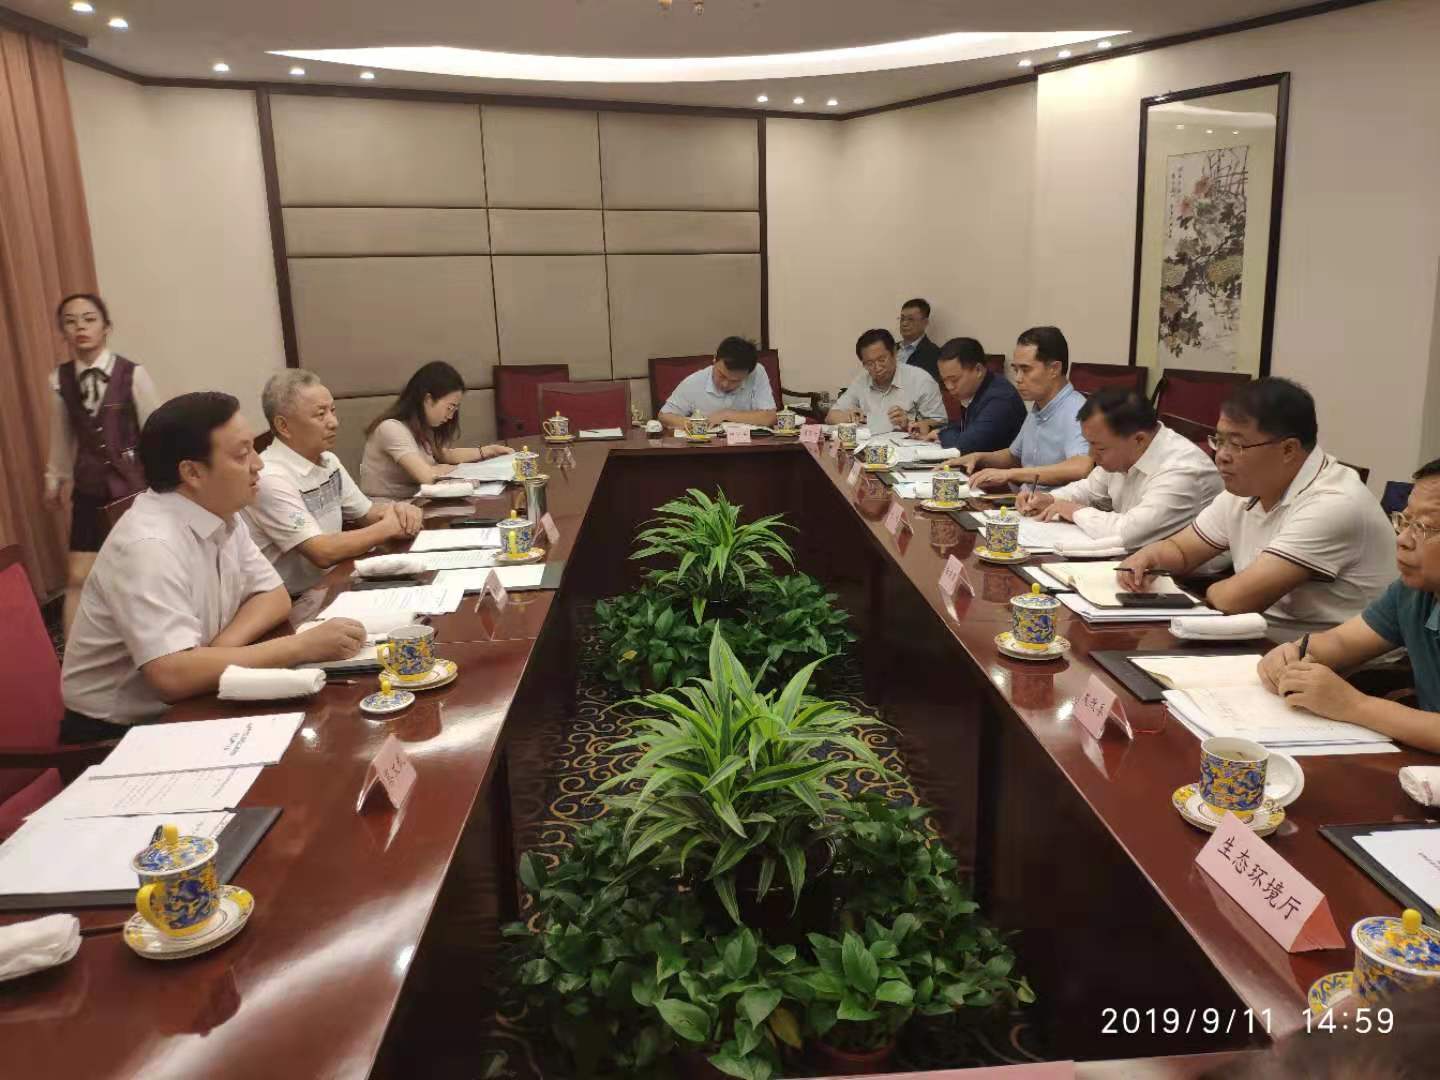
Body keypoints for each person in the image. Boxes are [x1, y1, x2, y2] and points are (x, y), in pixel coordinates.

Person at [59, 392, 366, 741]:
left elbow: (273, 595)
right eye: (242, 454)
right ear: (192, 472)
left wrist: (218, 652)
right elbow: (172, 676)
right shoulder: (148, 546)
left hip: (196, 694)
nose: (258, 465)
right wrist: (300, 646)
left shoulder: (220, 512)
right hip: (119, 733)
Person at [1118, 378, 1393, 631]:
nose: (1221, 456)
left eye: (1236, 445)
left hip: (1331, 658)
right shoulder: (1248, 486)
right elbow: (1181, 550)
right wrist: (1149, 558)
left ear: (1288, 449)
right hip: (1266, 638)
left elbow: (1235, 600)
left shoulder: (1333, 503)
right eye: (1219, 441)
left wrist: (1208, 592)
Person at [1255, 458, 1440, 751]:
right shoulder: (1413, 591)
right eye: (1404, 521)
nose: (1403, 539)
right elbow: (1341, 642)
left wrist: (1353, 705)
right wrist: (1293, 653)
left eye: (1425, 527)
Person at [244, 370, 424, 596]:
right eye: (321, 414)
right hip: (294, 602)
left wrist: (400, 511)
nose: (334, 422)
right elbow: (322, 552)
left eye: (333, 411)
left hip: (332, 584)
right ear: (284, 426)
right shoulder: (270, 477)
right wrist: (388, 527)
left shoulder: (328, 460)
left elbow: (367, 514)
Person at [43, 294, 161, 638]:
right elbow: (62, 437)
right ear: (62, 331)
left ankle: (160, 643)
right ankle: (72, 657)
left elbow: (156, 431)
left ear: (106, 327)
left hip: (134, 488)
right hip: (89, 488)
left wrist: (166, 481)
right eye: (70, 321)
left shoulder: (132, 374)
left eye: (89, 319)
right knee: (78, 575)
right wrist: (54, 478)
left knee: (144, 568)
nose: (80, 327)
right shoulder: (60, 380)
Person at [1018, 388, 1224, 552]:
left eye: (1099, 448)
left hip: (1188, 582)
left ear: (1139, 439)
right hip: (1135, 562)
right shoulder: (1122, 451)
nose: (1092, 455)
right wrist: (1050, 499)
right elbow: (1090, 489)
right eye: (1089, 444)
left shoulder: (1182, 470)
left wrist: (1073, 510)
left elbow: (1128, 533)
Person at [958, 326, 1092, 491]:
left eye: (1026, 369)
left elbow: (1080, 467)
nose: (1018, 378)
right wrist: (978, 457)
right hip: (1023, 500)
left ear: (1054, 369)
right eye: (1016, 369)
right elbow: (1014, 456)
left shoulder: (1077, 410)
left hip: (1051, 504)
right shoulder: (1039, 405)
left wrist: (1011, 474)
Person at [359, 361, 512, 500]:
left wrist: (487, 451)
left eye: (455, 410)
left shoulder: (422, 427)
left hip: (416, 503)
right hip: (386, 509)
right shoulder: (391, 429)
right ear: (428, 400)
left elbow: (446, 455)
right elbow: (428, 476)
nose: (451, 416)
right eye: (450, 408)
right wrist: (456, 470)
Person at [909, 337, 1025, 454]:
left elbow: (967, 444)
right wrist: (931, 429)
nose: (949, 387)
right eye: (944, 380)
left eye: (954, 380)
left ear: (978, 370)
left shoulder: (1000, 398)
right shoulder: (978, 390)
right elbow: (963, 428)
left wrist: (941, 435)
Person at [826, 328, 946, 435]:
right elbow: (830, 417)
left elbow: (942, 424)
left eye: (882, 360)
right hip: (869, 448)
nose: (877, 368)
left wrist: (909, 423)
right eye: (869, 363)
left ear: (894, 352)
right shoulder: (861, 381)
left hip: (907, 449)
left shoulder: (921, 380)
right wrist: (848, 417)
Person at [656, 336, 777, 431]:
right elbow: (664, 416)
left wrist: (726, 414)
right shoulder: (695, 381)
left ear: (748, 374)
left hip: (748, 447)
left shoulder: (757, 372)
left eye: (734, 381)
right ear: (714, 359)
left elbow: (770, 417)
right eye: (721, 375)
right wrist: (695, 424)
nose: (725, 384)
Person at [896, 298, 940, 383]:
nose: (904, 323)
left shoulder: (934, 354)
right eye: (902, 319)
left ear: (925, 322)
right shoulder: (890, 348)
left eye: (910, 319)